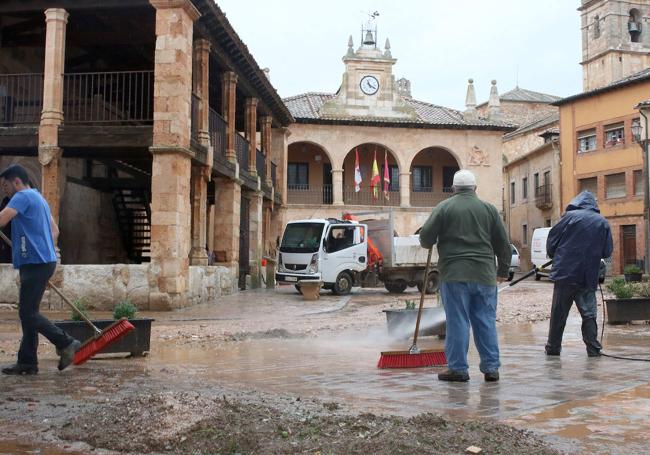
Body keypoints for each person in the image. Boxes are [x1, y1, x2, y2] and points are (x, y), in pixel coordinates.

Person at [419, 169, 510, 382]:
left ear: (453, 189)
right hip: (485, 276)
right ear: (475, 188)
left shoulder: (444, 207)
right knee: (485, 320)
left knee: (457, 321)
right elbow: (503, 245)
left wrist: (432, 235)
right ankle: (491, 368)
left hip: (454, 275)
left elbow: (425, 240)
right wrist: (503, 271)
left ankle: (458, 369)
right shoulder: (489, 209)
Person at [0, 164, 80, 375]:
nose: (4, 190)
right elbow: (55, 230)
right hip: (41, 261)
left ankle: (67, 342)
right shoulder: (39, 199)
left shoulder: (22, 196)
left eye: (5, 185)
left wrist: (37, 252)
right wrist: (44, 249)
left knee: (27, 313)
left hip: (35, 263)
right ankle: (27, 362)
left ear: (16, 181)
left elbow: (2, 219)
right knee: (29, 313)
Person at [545, 191, 613, 358]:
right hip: (587, 275)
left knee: (559, 313)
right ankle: (593, 349)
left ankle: (553, 348)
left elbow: (552, 243)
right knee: (589, 313)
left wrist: (558, 255)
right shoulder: (602, 222)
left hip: (565, 274)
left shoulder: (568, 217)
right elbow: (607, 251)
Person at [0, 195, 11, 263]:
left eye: (6, 185)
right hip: (4, 238)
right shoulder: (5, 200)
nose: (4, 188)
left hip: (11, 235)